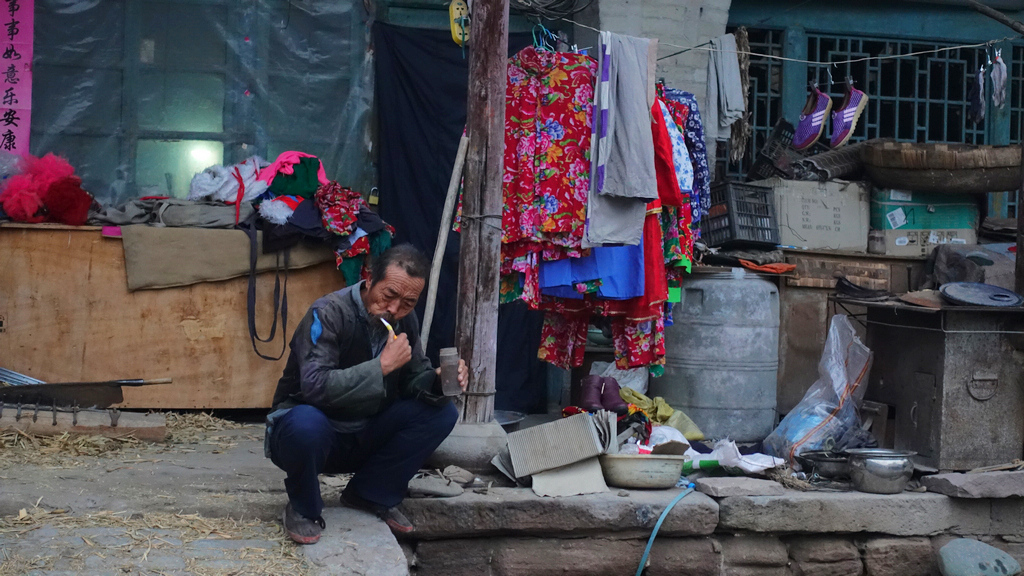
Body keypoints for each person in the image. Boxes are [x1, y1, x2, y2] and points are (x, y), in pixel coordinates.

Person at [265, 243, 467, 545]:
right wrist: (380, 367)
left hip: (364, 434)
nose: (394, 309)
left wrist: (437, 382)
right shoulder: (328, 313)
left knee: (441, 413)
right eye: (389, 295)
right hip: (312, 436)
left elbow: (414, 378)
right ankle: (303, 506)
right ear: (369, 279)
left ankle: (370, 492)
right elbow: (315, 386)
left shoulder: (404, 320)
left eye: (408, 303)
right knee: (305, 423)